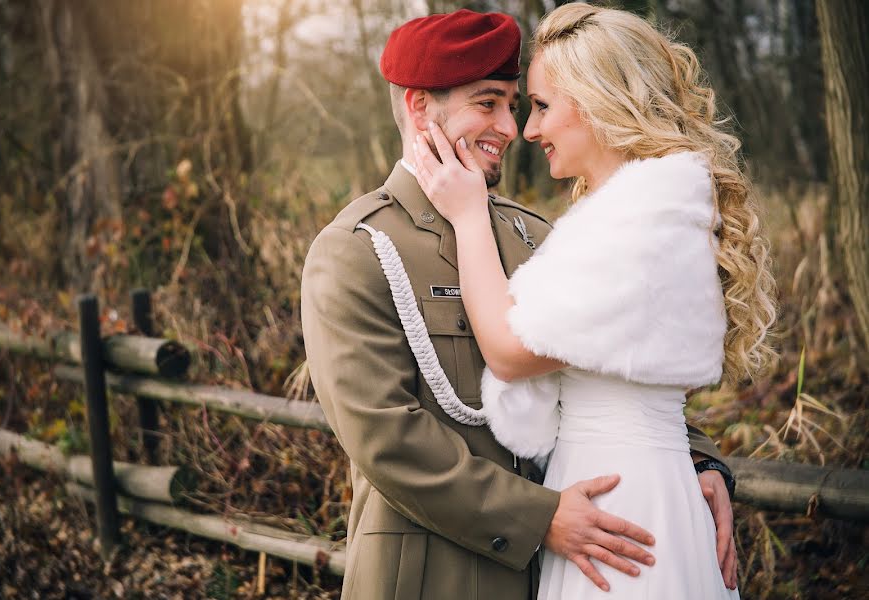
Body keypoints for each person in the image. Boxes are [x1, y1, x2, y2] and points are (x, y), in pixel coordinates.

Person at [301, 8, 739, 600]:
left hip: (572, 567)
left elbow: (617, 357)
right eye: (488, 104)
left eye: (515, 103)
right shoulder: (355, 250)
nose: (510, 127)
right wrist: (540, 518)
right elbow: (385, 438)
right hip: (434, 576)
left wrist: (702, 463)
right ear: (418, 106)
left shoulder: (534, 233)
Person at [412, 4, 777, 599]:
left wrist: (467, 214)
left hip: (623, 506)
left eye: (543, 106)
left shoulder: (641, 225)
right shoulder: (641, 215)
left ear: (601, 101)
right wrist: (706, 467)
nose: (528, 130)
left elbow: (508, 353)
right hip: (621, 492)